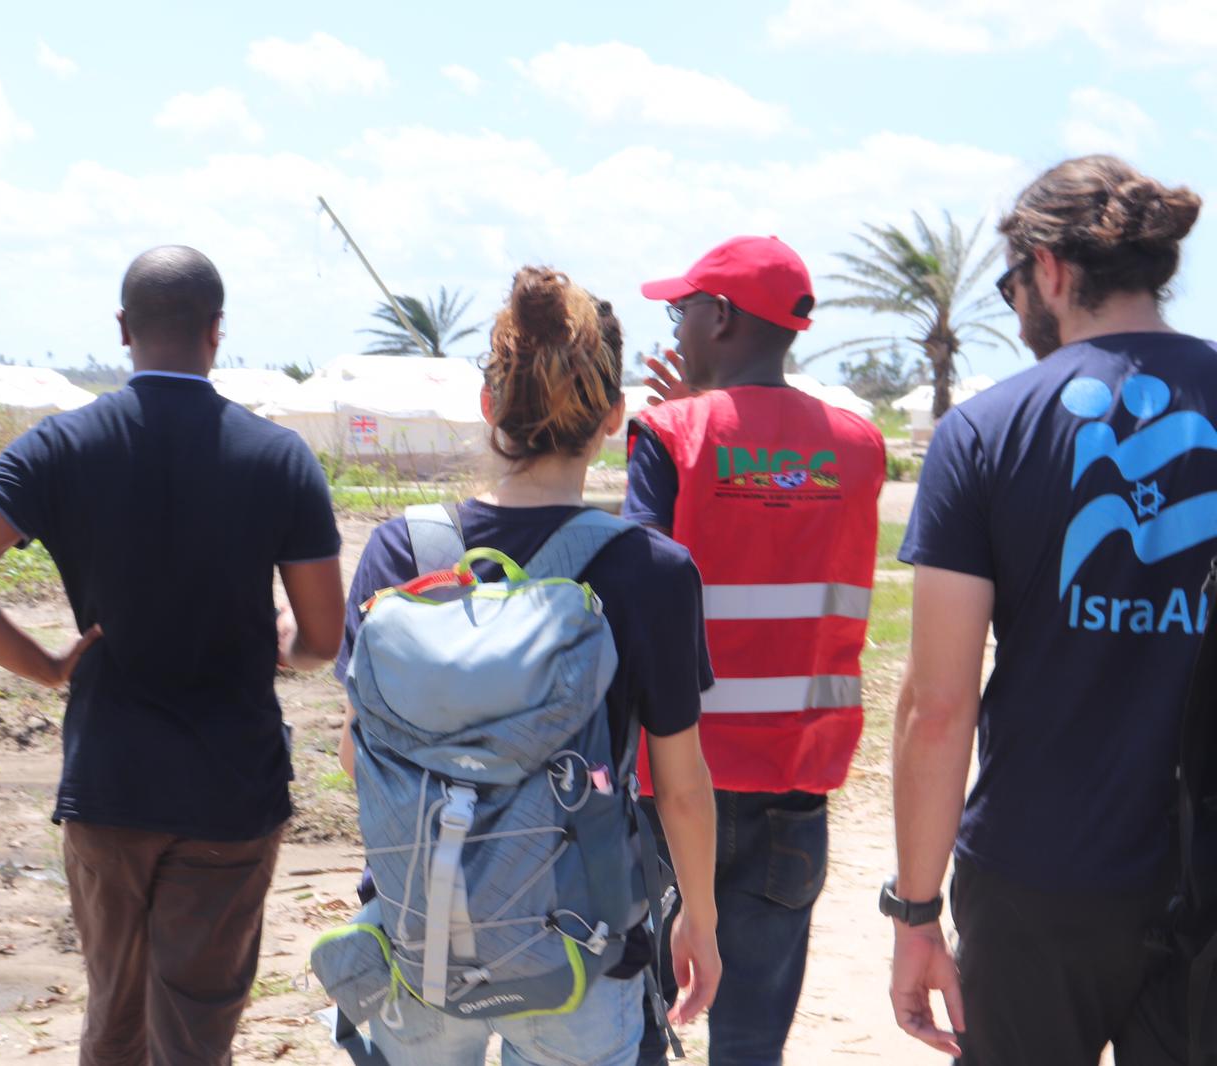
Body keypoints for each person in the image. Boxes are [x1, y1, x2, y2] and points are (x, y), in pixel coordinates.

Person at [0, 246, 345, 1066]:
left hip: (109, 782)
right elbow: (323, 640)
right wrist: (279, 642)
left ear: (122, 329)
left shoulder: (62, 446)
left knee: (113, 1020)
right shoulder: (277, 457)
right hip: (231, 790)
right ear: (218, 332)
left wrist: (44, 663)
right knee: (196, 1030)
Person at [334, 267, 722, 1065]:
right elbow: (679, 788)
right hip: (581, 946)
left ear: (489, 407)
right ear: (614, 417)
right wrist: (701, 923)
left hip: (418, 935)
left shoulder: (400, 551)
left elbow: (353, 753)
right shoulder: (652, 570)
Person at [887, 155, 1215, 1065]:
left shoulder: (982, 433)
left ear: (1052, 269)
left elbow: (937, 705)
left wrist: (916, 913)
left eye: (1012, 283)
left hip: (1038, 876)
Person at [626, 236, 886, 1066]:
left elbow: (638, 592)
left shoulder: (670, 435)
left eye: (683, 310)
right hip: (794, 788)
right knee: (750, 1049)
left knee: (640, 1030)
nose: (677, 328)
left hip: (676, 779)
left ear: (723, 316)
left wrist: (697, 411)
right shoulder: (859, 445)